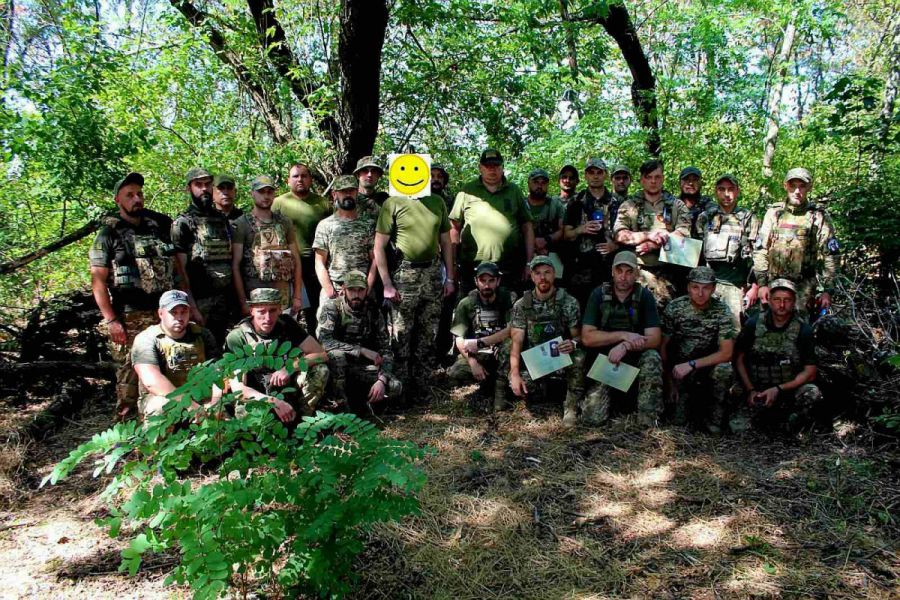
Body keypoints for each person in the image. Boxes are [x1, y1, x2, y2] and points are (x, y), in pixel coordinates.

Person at [90, 172, 181, 420]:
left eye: (139, 193)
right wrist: (111, 320)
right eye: (130, 195)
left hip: (162, 314)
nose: (137, 199)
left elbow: (177, 269)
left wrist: (187, 303)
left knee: (164, 371)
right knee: (129, 378)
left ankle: (160, 427)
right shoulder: (108, 234)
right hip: (129, 317)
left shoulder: (158, 228)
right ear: (118, 200)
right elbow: (98, 281)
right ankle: (125, 433)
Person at [374, 177, 455, 389]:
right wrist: (387, 284)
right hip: (404, 275)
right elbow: (378, 246)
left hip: (432, 274)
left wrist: (450, 278)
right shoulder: (392, 203)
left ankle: (423, 387)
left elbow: (446, 241)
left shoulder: (437, 201)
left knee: (429, 334)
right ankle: (399, 388)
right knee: (401, 335)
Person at [581, 251, 663, 426]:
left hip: (634, 359)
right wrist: (623, 335)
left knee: (652, 358)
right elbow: (587, 337)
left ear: (636, 274)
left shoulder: (644, 296)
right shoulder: (599, 294)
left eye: (629, 272)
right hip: (605, 359)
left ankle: (647, 418)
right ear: (612, 272)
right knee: (593, 419)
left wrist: (626, 345)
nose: (623, 277)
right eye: (619, 271)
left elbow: (655, 338)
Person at [501, 256, 584, 427]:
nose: (543, 277)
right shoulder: (522, 305)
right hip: (535, 361)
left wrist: (573, 343)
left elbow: (578, 335)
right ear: (532, 276)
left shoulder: (568, 302)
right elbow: (516, 343)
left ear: (554, 274)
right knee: (522, 385)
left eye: (547, 272)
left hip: (560, 358)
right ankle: (539, 391)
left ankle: (571, 407)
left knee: (579, 356)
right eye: (538, 273)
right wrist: (515, 374)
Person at [224, 288, 330, 423]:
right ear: (251, 311)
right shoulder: (238, 337)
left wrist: (289, 368)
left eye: (273, 311)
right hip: (257, 394)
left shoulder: (287, 324)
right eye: (261, 312)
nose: (268, 318)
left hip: (286, 387)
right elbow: (239, 389)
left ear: (280, 309)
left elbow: (321, 355)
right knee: (246, 412)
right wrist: (273, 402)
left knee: (320, 370)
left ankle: (303, 421)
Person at [732, 279, 822, 433]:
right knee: (739, 430)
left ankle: (789, 423)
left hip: (787, 391)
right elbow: (738, 359)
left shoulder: (803, 330)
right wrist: (750, 390)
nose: (781, 305)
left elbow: (810, 373)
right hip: (755, 391)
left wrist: (778, 389)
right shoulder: (753, 324)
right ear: (769, 300)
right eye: (777, 300)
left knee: (811, 392)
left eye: (787, 300)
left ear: (794, 302)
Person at [753, 168, 839, 317]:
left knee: (798, 329)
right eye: (793, 186)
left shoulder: (817, 215)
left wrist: (827, 291)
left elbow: (830, 255)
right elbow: (761, 250)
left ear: (809, 187)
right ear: (786, 186)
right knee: (767, 326)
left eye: (802, 186)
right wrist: (762, 284)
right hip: (774, 284)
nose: (797, 191)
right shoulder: (774, 213)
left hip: (803, 287)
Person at [661, 267, 736, 433]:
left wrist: (693, 364)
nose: (700, 293)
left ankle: (714, 418)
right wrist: (669, 382)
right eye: (695, 287)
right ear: (688, 287)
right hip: (678, 371)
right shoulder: (675, 308)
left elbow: (727, 353)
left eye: (706, 288)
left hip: (706, 367)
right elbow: (663, 347)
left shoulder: (721, 311)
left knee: (725, 369)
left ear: (714, 288)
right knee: (678, 424)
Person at [450, 148, 534, 294]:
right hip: (472, 266)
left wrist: (528, 263)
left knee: (509, 309)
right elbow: (454, 228)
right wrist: (453, 265)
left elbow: (527, 227)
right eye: (488, 166)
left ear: (502, 168)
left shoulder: (514, 191)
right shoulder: (467, 191)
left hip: (509, 266)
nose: (492, 170)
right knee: (470, 309)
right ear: (480, 168)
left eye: (496, 166)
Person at [316, 270, 401, 408]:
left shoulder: (373, 311)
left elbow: (386, 349)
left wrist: (382, 380)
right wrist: (360, 350)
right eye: (352, 290)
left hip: (362, 368)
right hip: (336, 369)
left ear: (366, 289)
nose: (356, 295)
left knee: (395, 386)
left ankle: (363, 404)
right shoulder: (332, 307)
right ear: (344, 289)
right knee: (337, 356)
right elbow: (324, 341)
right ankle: (341, 407)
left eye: (360, 290)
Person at [131, 290, 221, 420]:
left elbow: (217, 370)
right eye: (173, 312)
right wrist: (189, 405)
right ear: (161, 313)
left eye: (183, 312)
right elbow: (152, 381)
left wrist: (216, 402)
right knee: (160, 407)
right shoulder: (146, 339)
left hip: (201, 397)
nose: (179, 317)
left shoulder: (202, 335)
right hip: (164, 397)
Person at [613, 159, 691, 309]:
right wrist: (648, 235)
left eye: (657, 177)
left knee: (665, 321)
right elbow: (620, 234)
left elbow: (684, 233)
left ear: (663, 178)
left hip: (668, 275)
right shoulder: (629, 205)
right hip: (636, 273)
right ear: (642, 180)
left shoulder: (676, 205)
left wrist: (654, 245)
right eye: (649, 177)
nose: (653, 181)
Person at [171, 167, 235, 344]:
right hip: (199, 300)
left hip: (223, 300)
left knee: (220, 348)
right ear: (189, 188)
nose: (204, 189)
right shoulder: (182, 223)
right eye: (198, 185)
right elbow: (179, 271)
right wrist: (191, 306)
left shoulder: (222, 220)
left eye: (207, 184)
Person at [231, 175, 303, 320]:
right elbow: (235, 265)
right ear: (252, 193)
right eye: (261, 192)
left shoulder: (284, 222)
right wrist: (243, 301)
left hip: (283, 296)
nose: (266, 196)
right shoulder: (242, 224)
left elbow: (296, 259)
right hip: (257, 298)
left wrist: (297, 296)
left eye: (269, 192)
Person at [447, 262, 516, 409]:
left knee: (510, 345)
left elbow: (512, 330)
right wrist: (473, 363)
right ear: (476, 282)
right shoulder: (466, 304)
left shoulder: (509, 299)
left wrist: (482, 342)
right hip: (479, 355)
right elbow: (459, 338)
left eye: (491, 281)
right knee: (455, 372)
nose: (487, 285)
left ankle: (500, 391)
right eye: (483, 281)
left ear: (498, 281)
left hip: (503, 355)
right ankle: (487, 383)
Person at [273, 163, 332, 331]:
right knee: (287, 311)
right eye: (295, 176)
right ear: (288, 181)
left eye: (304, 176)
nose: (300, 179)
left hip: (315, 265)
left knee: (315, 309)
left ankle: (316, 346)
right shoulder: (278, 203)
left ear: (310, 180)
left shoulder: (321, 204)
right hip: (287, 266)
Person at [695, 174, 760, 327]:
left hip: (736, 285)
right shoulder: (705, 218)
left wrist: (755, 287)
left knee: (734, 330)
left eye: (731, 189)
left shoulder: (748, 218)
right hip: (709, 284)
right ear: (716, 192)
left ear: (737, 191)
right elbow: (696, 254)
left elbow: (758, 255)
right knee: (705, 329)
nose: (726, 194)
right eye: (722, 189)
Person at [312, 175, 377, 316]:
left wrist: (368, 289)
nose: (348, 195)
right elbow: (319, 262)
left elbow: (375, 260)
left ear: (357, 193)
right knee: (328, 333)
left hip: (362, 289)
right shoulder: (325, 225)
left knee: (366, 332)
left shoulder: (369, 224)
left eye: (351, 191)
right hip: (335, 287)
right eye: (343, 191)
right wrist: (329, 290)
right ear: (335, 194)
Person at [563, 158, 620, 306]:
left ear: (605, 175)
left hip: (609, 267)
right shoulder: (576, 201)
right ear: (586, 176)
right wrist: (580, 229)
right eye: (591, 172)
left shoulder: (617, 202)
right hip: (580, 269)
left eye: (599, 172)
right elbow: (566, 234)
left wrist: (615, 245)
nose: (595, 176)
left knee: (606, 310)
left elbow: (627, 233)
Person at [525, 168, 565, 257]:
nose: (540, 186)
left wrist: (546, 240)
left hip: (551, 253)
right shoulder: (520, 205)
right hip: (524, 252)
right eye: (536, 182)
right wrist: (533, 243)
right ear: (529, 183)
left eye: (543, 183)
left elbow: (562, 230)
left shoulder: (556, 205)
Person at [678, 166, 713, 237]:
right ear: (680, 182)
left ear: (700, 183)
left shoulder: (708, 205)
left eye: (695, 180)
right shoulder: (671, 205)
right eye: (686, 179)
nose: (690, 183)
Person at [354, 155, 389, 221]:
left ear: (378, 176)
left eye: (374, 171)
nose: (369, 175)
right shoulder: (349, 200)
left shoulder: (384, 201)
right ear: (358, 175)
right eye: (365, 171)